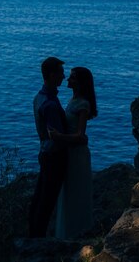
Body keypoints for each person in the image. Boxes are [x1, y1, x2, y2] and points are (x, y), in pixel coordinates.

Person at [28, 57, 87, 238]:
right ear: (52, 75)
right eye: (61, 73)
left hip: (45, 153)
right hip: (54, 157)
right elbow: (57, 138)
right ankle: (37, 239)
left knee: (40, 197)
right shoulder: (51, 104)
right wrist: (79, 139)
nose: (64, 77)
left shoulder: (40, 97)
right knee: (48, 200)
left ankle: (32, 233)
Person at [55, 67, 97, 239]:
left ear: (79, 82)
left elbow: (80, 136)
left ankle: (75, 233)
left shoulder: (83, 105)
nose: (67, 80)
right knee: (69, 193)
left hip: (77, 155)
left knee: (76, 194)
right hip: (70, 153)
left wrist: (59, 137)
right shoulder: (74, 100)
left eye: (71, 78)